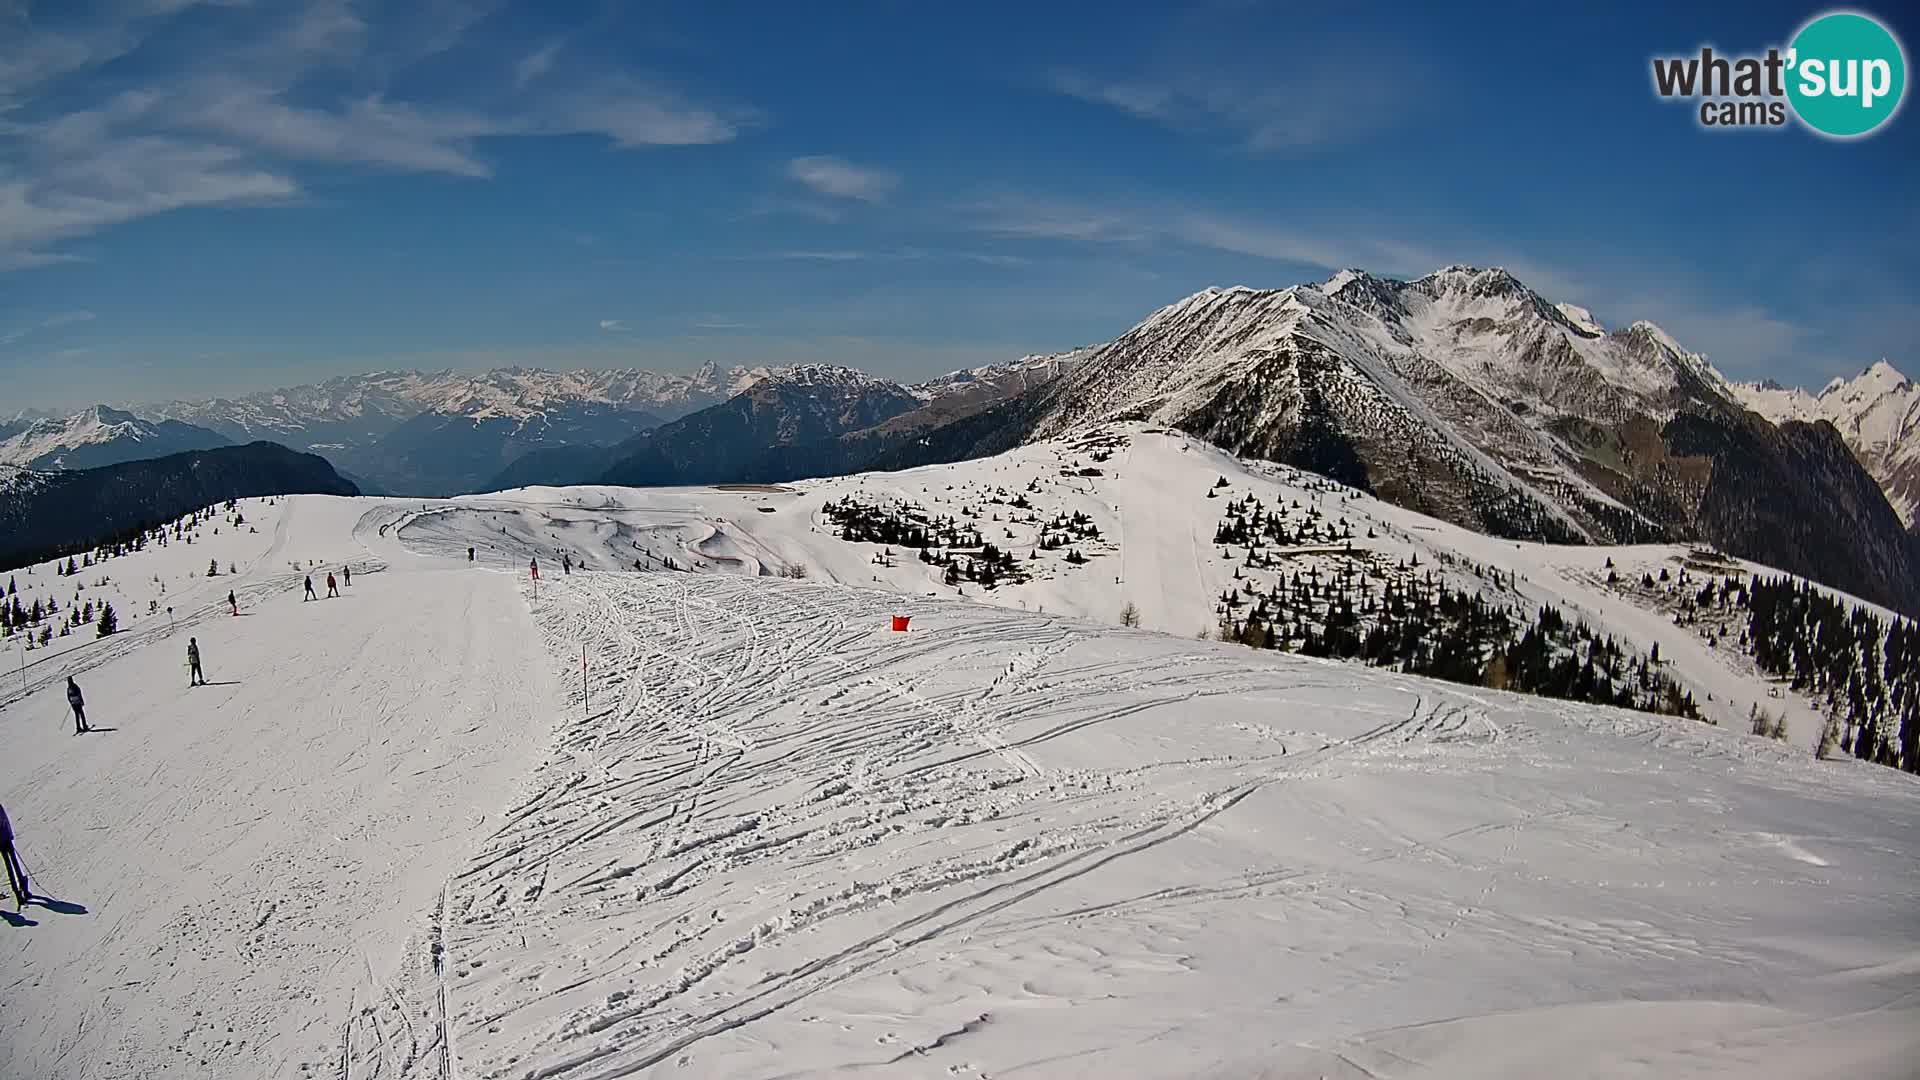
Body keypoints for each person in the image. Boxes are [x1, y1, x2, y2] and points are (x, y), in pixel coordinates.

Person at [0, 803, 27, 906]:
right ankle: (23, 889)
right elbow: (5, 822)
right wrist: (10, 835)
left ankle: (18, 893)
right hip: (6, 839)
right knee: (15, 864)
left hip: (2, 842)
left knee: (10, 867)